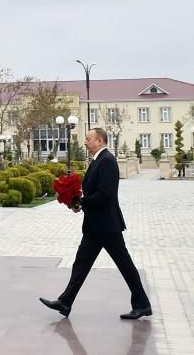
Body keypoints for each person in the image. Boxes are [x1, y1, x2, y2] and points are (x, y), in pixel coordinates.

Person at [40, 127, 151, 320]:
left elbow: (104, 194)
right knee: (81, 263)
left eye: (88, 139)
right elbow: (93, 193)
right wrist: (76, 202)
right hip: (95, 226)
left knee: (124, 264)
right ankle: (65, 302)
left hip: (107, 226)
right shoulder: (98, 160)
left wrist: (82, 202)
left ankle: (142, 304)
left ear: (99, 140)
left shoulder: (107, 161)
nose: (85, 142)